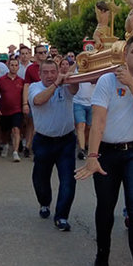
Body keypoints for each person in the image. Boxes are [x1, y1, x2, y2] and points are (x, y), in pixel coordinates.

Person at [75, 35, 133, 266]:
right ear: (125, 55)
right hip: (108, 152)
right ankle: (102, 256)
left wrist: (132, 84)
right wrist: (92, 156)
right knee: (105, 207)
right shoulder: (107, 80)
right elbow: (98, 120)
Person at [28, 60, 79, 231]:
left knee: (68, 180)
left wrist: (71, 77)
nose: (50, 76)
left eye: (53, 72)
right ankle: (44, 202)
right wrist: (57, 84)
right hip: (44, 141)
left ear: (58, 71)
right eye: (46, 72)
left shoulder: (65, 85)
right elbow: (38, 100)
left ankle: (62, 216)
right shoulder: (35, 87)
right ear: (40, 74)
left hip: (66, 141)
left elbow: (74, 89)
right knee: (41, 179)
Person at [0, 57, 25, 162]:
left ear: (18, 67)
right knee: (5, 131)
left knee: (16, 129)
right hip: (4, 110)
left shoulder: (21, 81)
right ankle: (6, 145)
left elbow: (24, 95)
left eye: (16, 65)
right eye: (12, 65)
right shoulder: (1, 80)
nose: (14, 67)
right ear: (8, 66)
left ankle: (15, 152)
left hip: (17, 110)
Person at [73, 74, 95, 161]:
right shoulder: (76, 70)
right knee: (80, 125)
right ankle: (81, 149)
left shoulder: (93, 69)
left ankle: (86, 144)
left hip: (91, 102)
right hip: (78, 102)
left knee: (89, 127)